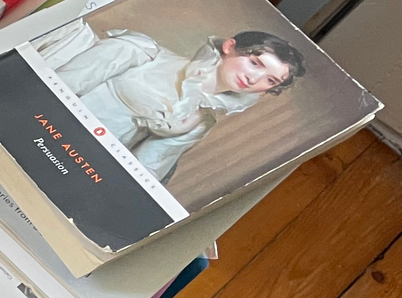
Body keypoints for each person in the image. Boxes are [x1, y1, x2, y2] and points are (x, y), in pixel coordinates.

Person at [34, 20, 305, 183]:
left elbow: (143, 171)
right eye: (255, 63)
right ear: (230, 47)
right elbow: (59, 85)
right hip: (38, 124)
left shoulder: (201, 120)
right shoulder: (143, 52)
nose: (254, 78)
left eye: (271, 81)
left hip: (76, 164)